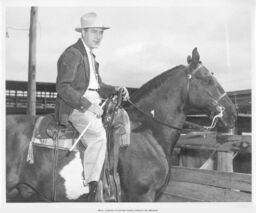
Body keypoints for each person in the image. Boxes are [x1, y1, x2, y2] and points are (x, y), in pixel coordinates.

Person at [54, 12, 129, 195]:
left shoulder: (91, 58)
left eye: (101, 32)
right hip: (75, 106)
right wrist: (88, 106)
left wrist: (115, 89)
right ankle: (91, 185)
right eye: (94, 32)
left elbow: (97, 86)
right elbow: (63, 88)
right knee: (98, 136)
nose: (98, 36)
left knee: (120, 121)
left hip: (93, 102)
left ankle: (110, 173)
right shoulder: (73, 54)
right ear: (83, 33)